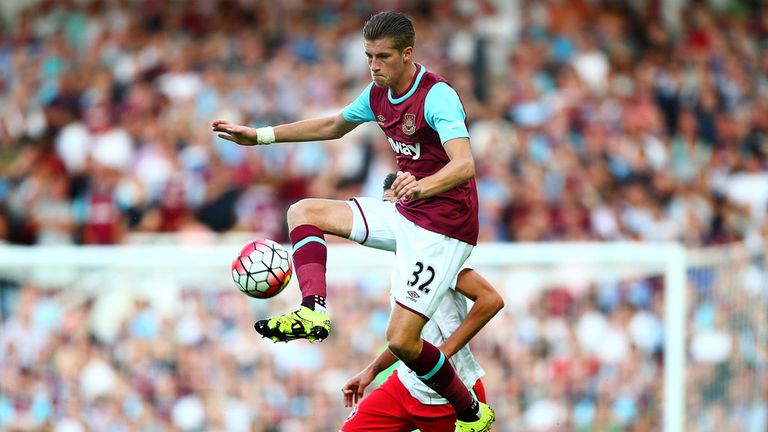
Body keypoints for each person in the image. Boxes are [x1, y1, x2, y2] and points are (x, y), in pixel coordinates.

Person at [212, 11, 494, 431]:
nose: (374, 65)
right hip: (406, 212)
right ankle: (312, 311)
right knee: (303, 211)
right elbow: (332, 124)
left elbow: (465, 165)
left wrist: (421, 187)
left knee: (402, 339)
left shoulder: (437, 96)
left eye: (382, 56)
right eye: (368, 57)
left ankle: (472, 414)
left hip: (444, 227)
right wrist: (261, 136)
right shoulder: (377, 94)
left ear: (407, 54)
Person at [339, 173, 504, 431]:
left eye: (398, 209)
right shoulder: (401, 261)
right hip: (406, 386)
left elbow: (491, 300)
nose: (391, 219)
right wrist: (372, 370)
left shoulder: (440, 255)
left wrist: (443, 355)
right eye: (386, 208)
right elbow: (407, 338)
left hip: (451, 396)